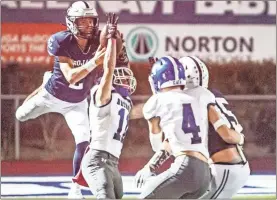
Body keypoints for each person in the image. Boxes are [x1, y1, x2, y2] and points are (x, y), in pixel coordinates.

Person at [15, 1, 107, 198]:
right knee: (21, 116)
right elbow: (71, 76)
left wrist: (114, 40)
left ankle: (75, 188)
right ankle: (45, 82)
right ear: (72, 23)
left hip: (77, 102)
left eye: (91, 21)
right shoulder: (61, 40)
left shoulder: (97, 41)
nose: (88, 26)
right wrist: (94, 62)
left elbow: (113, 47)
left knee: (84, 141)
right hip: (52, 95)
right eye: (82, 21)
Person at [135, 56, 245, 199]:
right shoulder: (203, 95)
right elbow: (224, 130)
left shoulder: (155, 102)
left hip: (185, 167)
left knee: (145, 196)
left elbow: (157, 146)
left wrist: (149, 168)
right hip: (205, 173)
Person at [79, 13, 137, 199]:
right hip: (97, 160)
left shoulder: (124, 99)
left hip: (112, 163)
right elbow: (110, 69)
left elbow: (120, 65)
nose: (127, 77)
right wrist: (111, 44)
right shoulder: (102, 91)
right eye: (123, 74)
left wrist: (121, 45)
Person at [179, 56, 250, 199]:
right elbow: (232, 135)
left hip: (225, 168)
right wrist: (241, 138)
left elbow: (226, 135)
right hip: (228, 166)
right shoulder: (213, 95)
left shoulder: (194, 101)